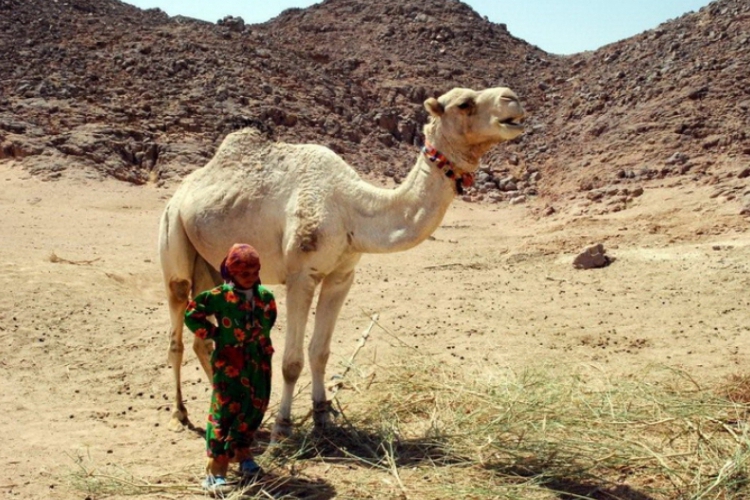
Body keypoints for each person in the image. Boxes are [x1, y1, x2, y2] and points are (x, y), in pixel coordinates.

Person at [184, 243, 277, 493]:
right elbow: (192, 314)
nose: (250, 278)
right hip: (229, 363)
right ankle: (216, 471)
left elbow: (269, 320)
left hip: (258, 362)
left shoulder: (265, 297)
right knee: (224, 410)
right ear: (231, 273)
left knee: (254, 405)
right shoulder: (218, 297)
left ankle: (243, 454)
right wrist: (214, 334)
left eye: (254, 272)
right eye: (243, 274)